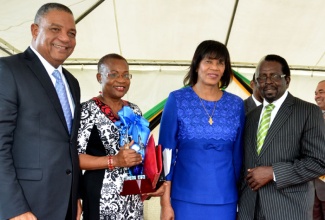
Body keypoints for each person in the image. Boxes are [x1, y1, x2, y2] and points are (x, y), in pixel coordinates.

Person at [0, 3, 81, 220]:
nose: (65, 38)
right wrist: (13, 208)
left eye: (71, 33)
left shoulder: (72, 83)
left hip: (65, 206)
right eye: (55, 29)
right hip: (25, 207)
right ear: (35, 30)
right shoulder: (8, 70)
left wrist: (75, 197)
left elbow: (68, 146)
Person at [159, 40, 245, 220]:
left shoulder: (236, 104)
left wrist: (239, 200)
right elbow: (165, 154)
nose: (214, 67)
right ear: (197, 64)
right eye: (209, 61)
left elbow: (238, 156)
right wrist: (165, 204)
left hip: (225, 200)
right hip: (184, 199)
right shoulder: (177, 99)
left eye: (220, 62)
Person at [77, 53, 165, 220]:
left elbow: (141, 154)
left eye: (126, 75)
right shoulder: (86, 110)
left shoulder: (134, 110)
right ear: (99, 77)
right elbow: (74, 158)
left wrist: (152, 183)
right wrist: (114, 161)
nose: (121, 80)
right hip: (101, 196)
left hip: (132, 197)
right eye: (113, 74)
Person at [238, 54, 325, 220]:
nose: (268, 81)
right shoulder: (250, 116)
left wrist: (274, 172)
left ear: (288, 80)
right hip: (249, 210)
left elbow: (319, 161)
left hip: (287, 210)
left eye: (275, 76)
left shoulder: (308, 112)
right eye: (262, 77)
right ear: (255, 82)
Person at [313, 80, 325, 220]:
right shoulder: (314, 117)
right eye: (316, 93)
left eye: (321, 92)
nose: (317, 96)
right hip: (313, 189)